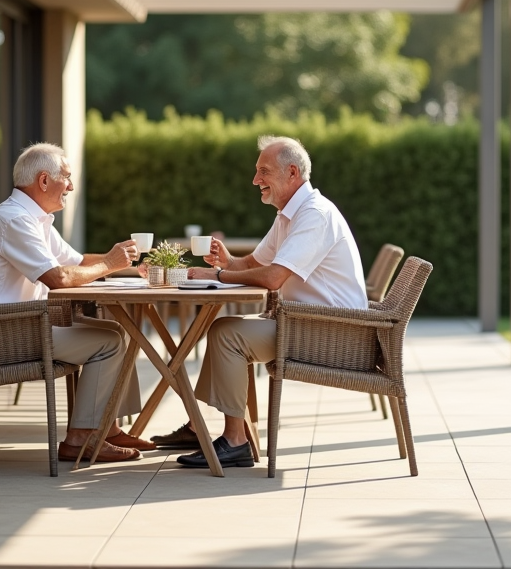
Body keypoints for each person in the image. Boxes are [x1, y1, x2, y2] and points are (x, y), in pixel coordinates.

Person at [151, 135, 367, 468]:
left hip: (335, 333)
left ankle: (235, 442)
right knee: (224, 328)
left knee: (228, 334)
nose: (255, 180)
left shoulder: (314, 215)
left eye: (263, 171)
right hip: (309, 323)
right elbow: (253, 263)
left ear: (292, 173)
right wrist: (226, 261)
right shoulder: (289, 214)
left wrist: (218, 277)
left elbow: (273, 278)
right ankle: (199, 427)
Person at [0, 142, 154, 462]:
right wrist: (109, 265)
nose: (72, 186)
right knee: (109, 341)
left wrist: (127, 265)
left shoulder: (34, 218)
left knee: (119, 329)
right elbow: (58, 278)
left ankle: (107, 428)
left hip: (15, 323)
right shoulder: (15, 220)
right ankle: (79, 440)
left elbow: (74, 261)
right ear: (44, 181)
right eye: (67, 177)